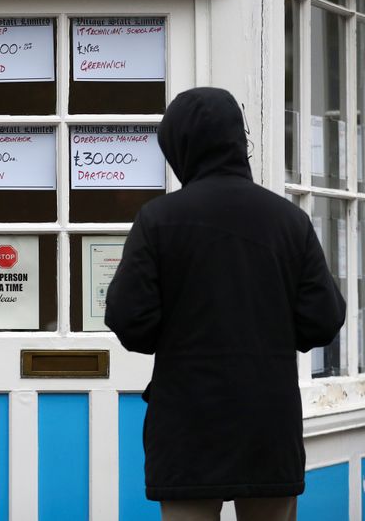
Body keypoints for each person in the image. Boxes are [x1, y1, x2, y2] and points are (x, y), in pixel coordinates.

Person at [104, 87, 346, 521]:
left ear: (178, 147)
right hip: (268, 425)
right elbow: (322, 322)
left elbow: (129, 320)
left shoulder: (158, 220)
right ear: (239, 141)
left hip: (187, 425)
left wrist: (178, 336)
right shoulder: (289, 221)